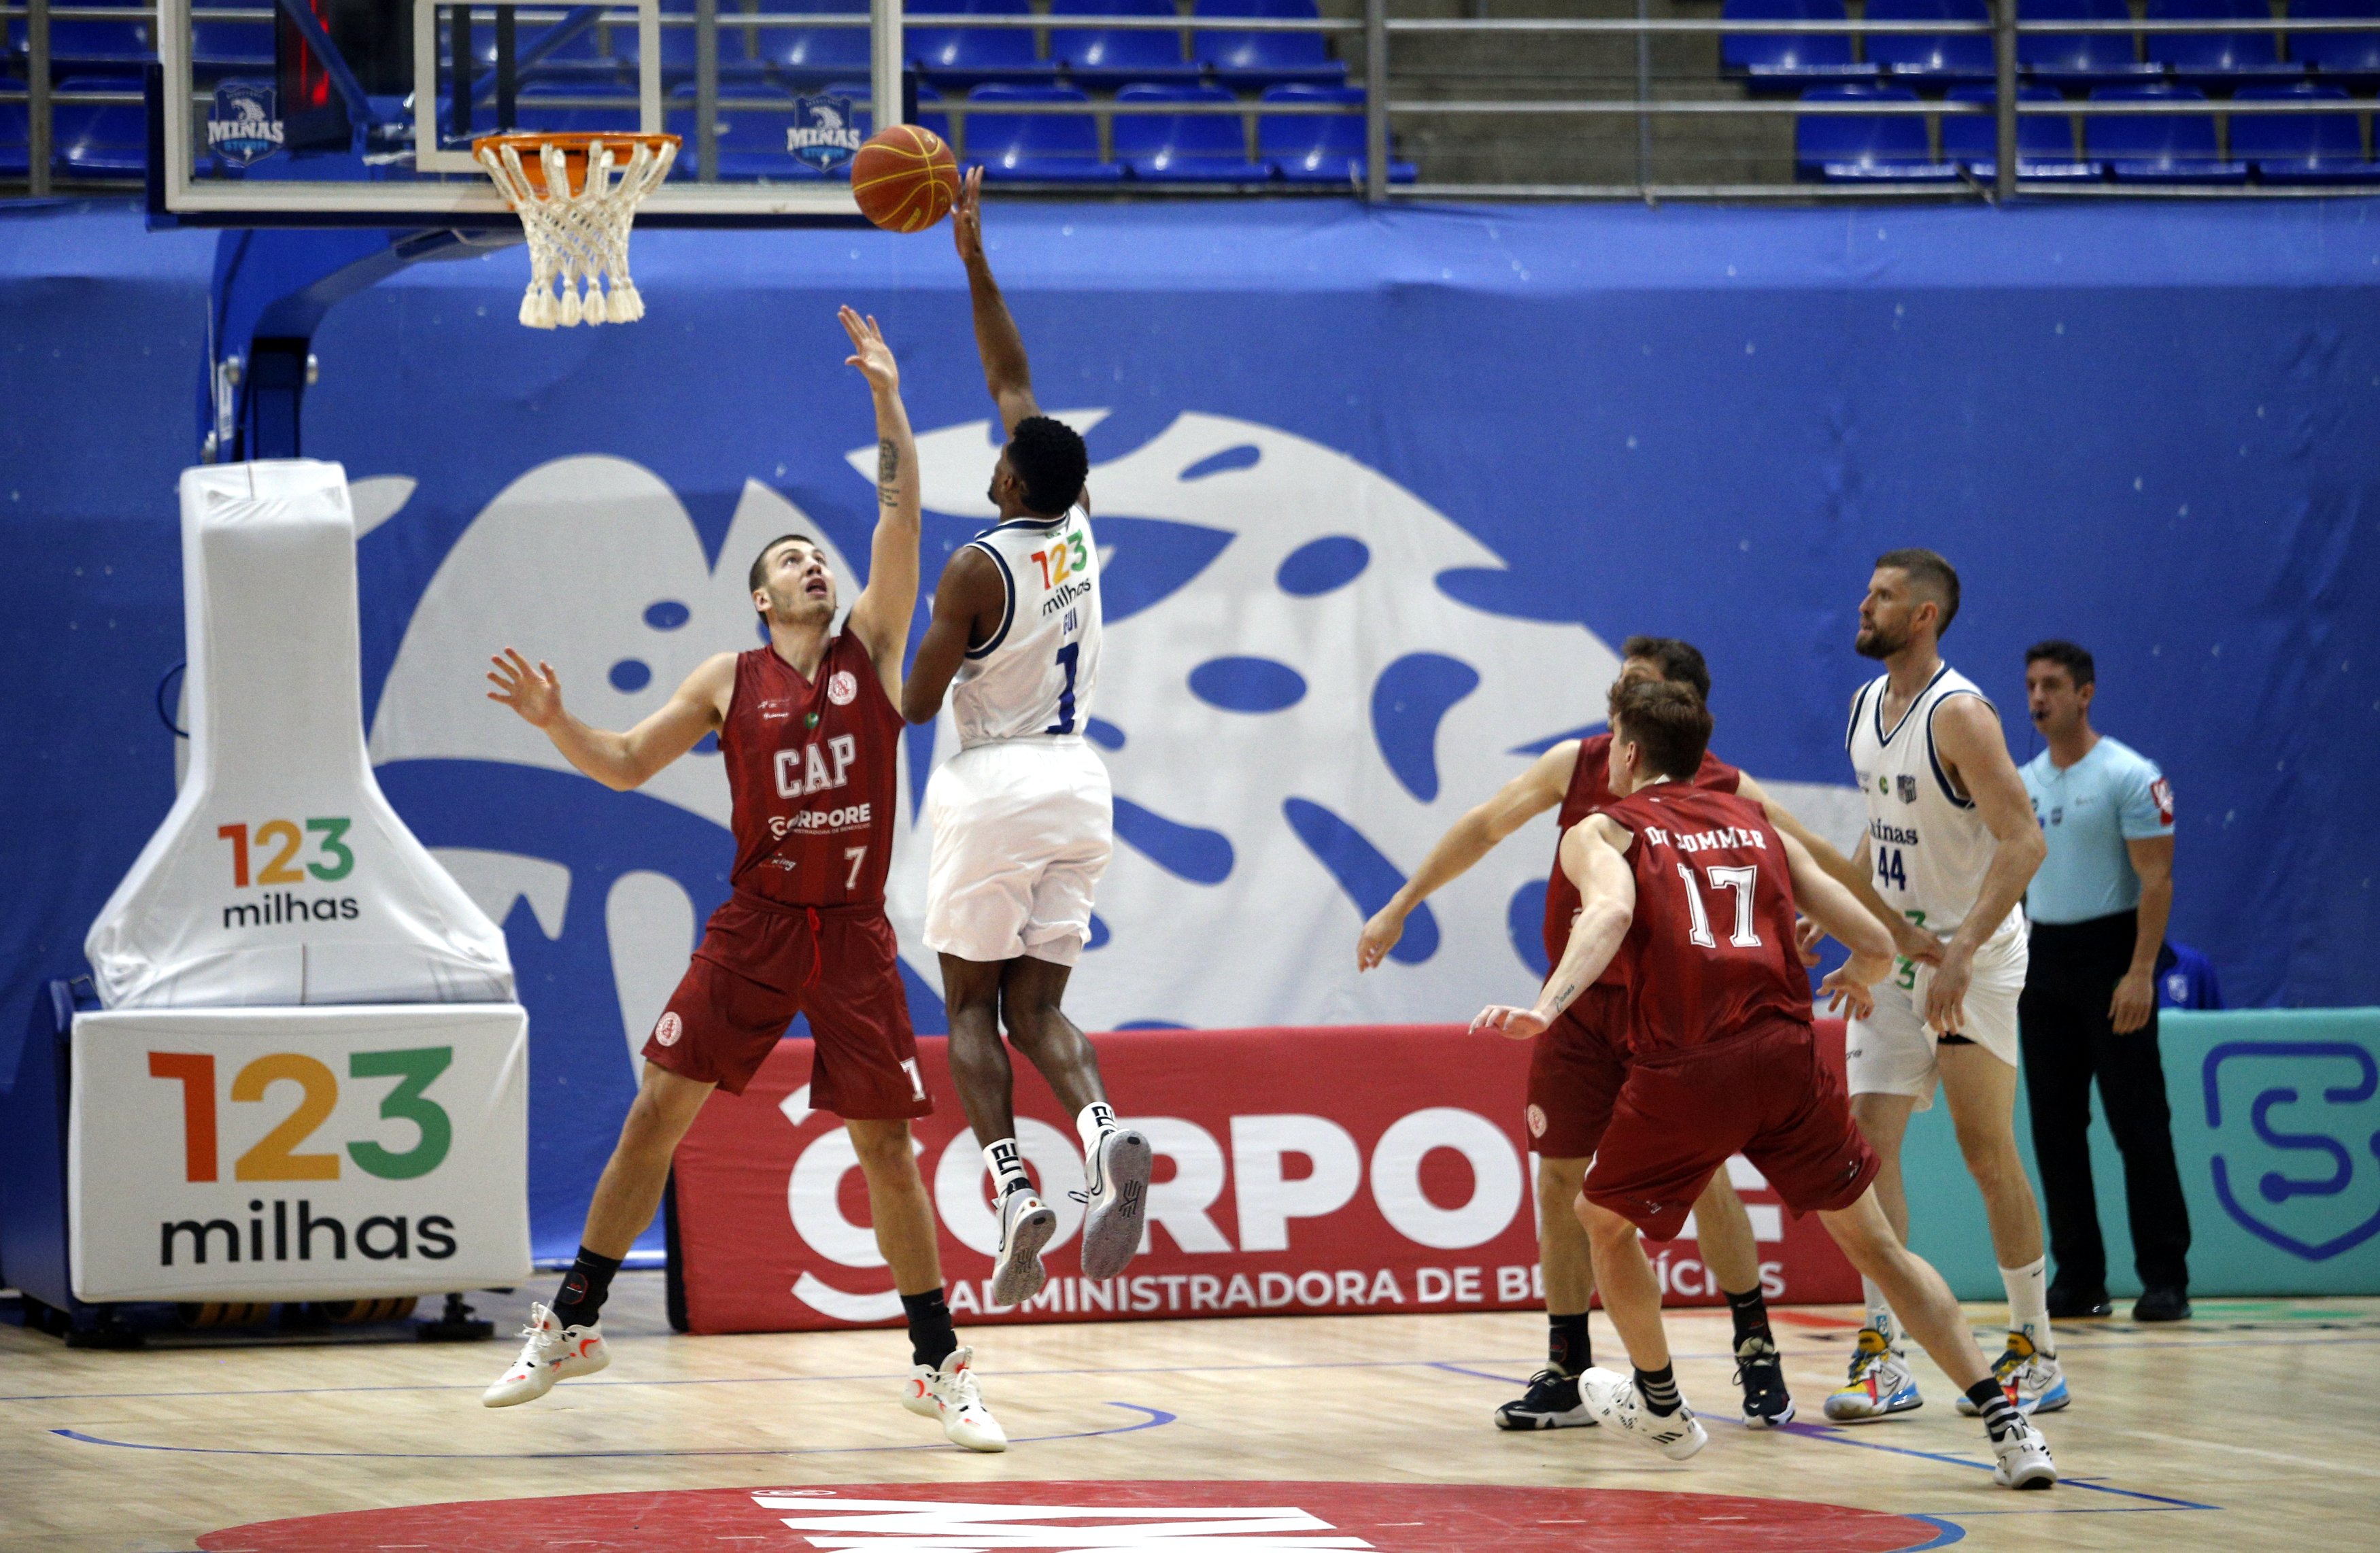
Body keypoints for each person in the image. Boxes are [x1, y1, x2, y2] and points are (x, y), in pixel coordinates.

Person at [477, 311, 1006, 1452]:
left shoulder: (871, 639)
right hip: (758, 922)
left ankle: (937, 1359)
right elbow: (622, 765)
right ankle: (573, 1320)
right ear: (763, 600)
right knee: (656, 1111)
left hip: (853, 930)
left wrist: (888, 399)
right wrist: (557, 717)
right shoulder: (730, 677)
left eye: (817, 553)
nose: (814, 563)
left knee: (886, 1149)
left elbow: (901, 511)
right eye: (789, 563)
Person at [1471, 680, 2056, 1490]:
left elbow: (1604, 917)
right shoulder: (1756, 824)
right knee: (1878, 1248)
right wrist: (1866, 970)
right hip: (1785, 1060)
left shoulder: (1599, 828)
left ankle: (1663, 1408)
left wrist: (1546, 1006)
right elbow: (1867, 931)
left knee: (1598, 1221)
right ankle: (2008, 1425)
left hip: (1687, 1066)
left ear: (1628, 754)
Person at [1361, 636, 1894, 1433]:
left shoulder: (1723, 786)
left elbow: (1804, 853)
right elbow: (1483, 825)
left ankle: (1753, 1345)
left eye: (1637, 694)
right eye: (1620, 693)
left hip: (1673, 1008)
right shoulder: (1576, 764)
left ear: (1677, 713)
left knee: (1707, 1177)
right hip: (1580, 1006)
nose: (1619, 714)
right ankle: (1567, 1365)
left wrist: (1875, 932)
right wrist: (1402, 901)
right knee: (1559, 1180)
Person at [900, 167, 1151, 1309]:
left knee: (966, 1009)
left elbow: (912, 702)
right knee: (1038, 1007)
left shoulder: (972, 564)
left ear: (1010, 476)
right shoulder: (1083, 530)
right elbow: (1014, 378)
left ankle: (1013, 1188)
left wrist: (898, 639)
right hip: (1080, 782)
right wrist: (976, 263)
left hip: (992, 779)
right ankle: (1101, 1131)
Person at [1816, 548, 2059, 1424]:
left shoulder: (1958, 714)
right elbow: (1883, 834)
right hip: (1895, 955)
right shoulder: (1859, 706)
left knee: (1983, 1152)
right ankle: (1882, 1352)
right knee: (1865, 1153)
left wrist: (1960, 950)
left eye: (1880, 595)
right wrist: (1843, 912)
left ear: (1921, 615)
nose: (1863, 602)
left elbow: (2023, 841)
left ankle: (2032, 1346)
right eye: (1866, 587)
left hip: (1974, 959)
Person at [2018, 639, 2191, 1322]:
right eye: (2030, 685)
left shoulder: (2128, 774)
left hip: (2113, 955)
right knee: (2054, 1131)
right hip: (2044, 961)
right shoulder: (2024, 781)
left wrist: (2140, 971)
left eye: (2051, 685)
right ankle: (2078, 1276)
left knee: (2138, 1125)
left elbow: (2156, 879)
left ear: (2083, 693)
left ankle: (2164, 1277)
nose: (2036, 698)